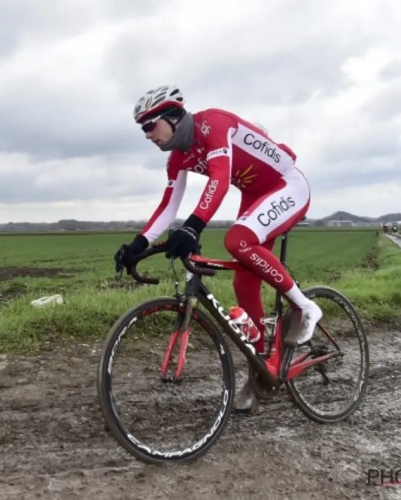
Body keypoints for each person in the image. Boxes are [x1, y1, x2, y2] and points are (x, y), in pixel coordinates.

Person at [116, 84, 322, 412]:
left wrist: (193, 226)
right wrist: (138, 244)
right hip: (256, 195)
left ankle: (306, 306)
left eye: (149, 126)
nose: (146, 135)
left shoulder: (213, 125)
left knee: (237, 241)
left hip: (287, 186)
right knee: (243, 280)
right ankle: (262, 370)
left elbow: (220, 180)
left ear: (170, 116)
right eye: (142, 128)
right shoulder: (177, 158)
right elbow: (169, 205)